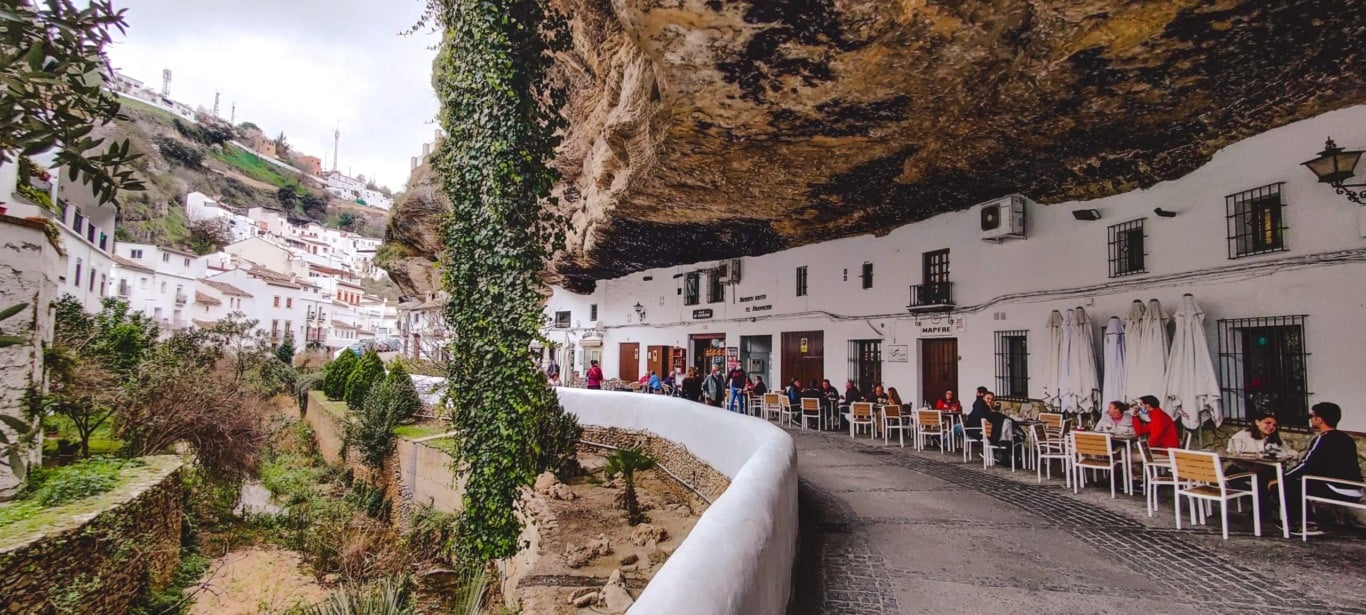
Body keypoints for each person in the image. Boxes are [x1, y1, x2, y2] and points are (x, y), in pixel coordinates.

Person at [1278, 402, 1363, 535]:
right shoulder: (1347, 439)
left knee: (1286, 483)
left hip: (1337, 489)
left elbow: (1306, 465)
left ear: (1319, 419)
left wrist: (1282, 477)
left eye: (1312, 416)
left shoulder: (1323, 439)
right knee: (1298, 481)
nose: (1311, 419)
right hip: (1355, 489)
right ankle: (1308, 519)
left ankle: (1305, 523)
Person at [1227, 412, 1292, 456]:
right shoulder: (1242, 436)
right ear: (1257, 422)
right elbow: (1232, 453)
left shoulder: (1275, 438)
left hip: (1266, 470)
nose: (1271, 427)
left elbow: (1288, 452)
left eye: (1274, 425)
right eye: (1268, 423)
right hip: (1242, 470)